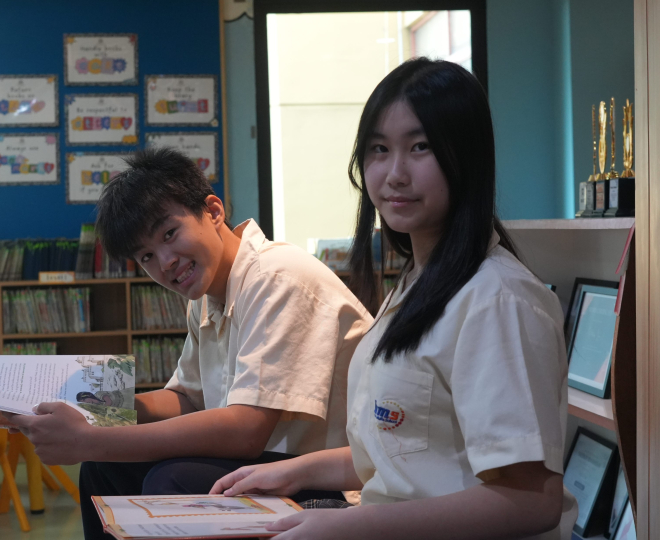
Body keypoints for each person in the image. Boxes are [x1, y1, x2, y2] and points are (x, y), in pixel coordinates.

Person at [210, 58, 578, 539]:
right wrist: (292, 472)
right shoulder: (418, 282)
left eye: (421, 147)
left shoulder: (498, 300)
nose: (395, 174)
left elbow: (532, 500)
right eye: (379, 149)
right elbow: (402, 454)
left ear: (466, 156)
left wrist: (353, 525)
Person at [3, 147, 372, 539]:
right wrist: (85, 403)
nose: (165, 262)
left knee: (173, 480)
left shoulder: (277, 277)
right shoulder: (208, 295)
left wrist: (90, 439)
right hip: (274, 465)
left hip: (337, 482)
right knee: (104, 468)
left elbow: (246, 432)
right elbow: (188, 399)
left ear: (213, 211)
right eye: (146, 256)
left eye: (169, 234)